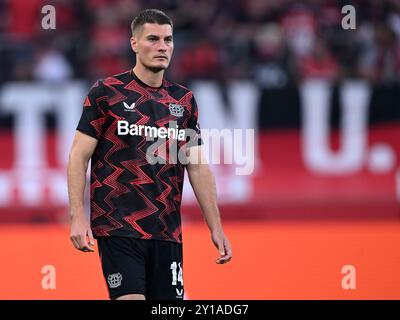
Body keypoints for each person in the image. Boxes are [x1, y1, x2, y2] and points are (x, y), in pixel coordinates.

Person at [67, 8, 232, 300]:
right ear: (134, 43)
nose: (162, 47)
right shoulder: (106, 93)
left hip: (166, 231)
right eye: (152, 39)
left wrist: (215, 226)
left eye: (168, 40)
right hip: (117, 227)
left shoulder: (184, 100)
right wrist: (77, 217)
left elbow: (197, 166)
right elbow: (78, 156)